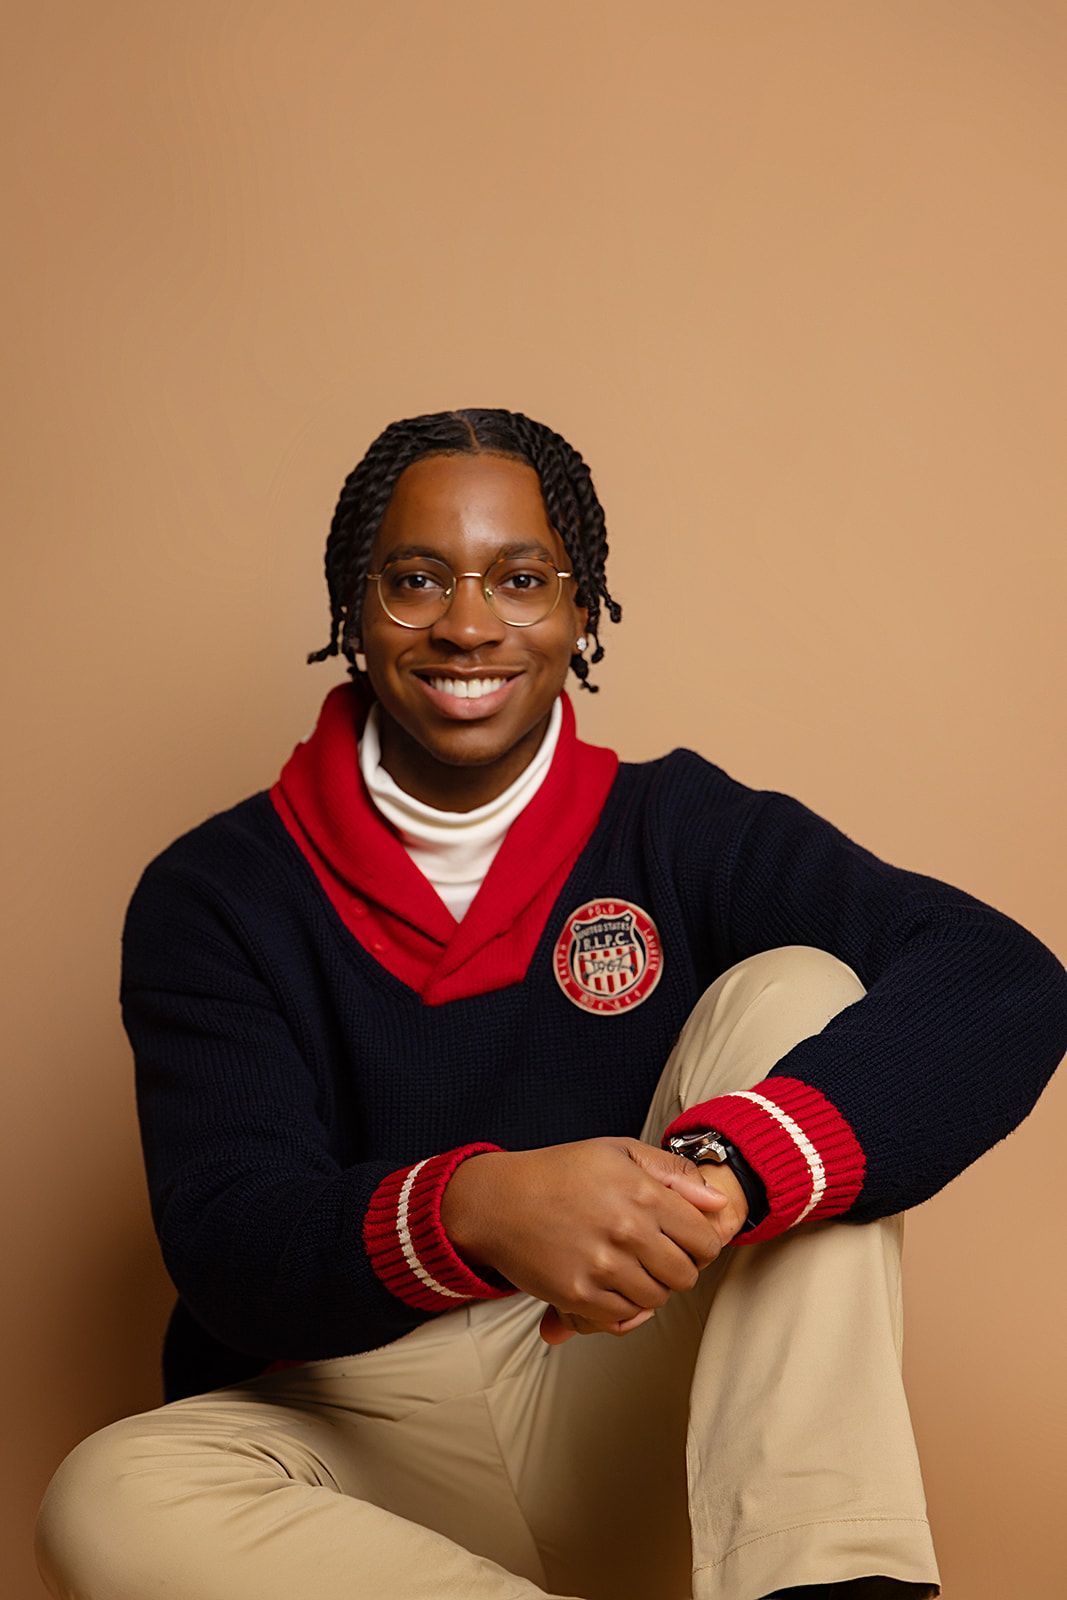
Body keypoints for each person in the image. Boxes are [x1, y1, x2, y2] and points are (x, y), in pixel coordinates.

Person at [35, 408, 1066, 1600]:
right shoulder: (218, 892)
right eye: (415, 579)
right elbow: (230, 1238)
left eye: (520, 579)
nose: (468, 624)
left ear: (581, 611)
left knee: (797, 990)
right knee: (106, 1493)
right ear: (351, 610)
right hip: (355, 1448)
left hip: (631, 1399)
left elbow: (995, 973)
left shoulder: (676, 828)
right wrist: (475, 1205)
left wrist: (729, 1175)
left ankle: (826, 1581)